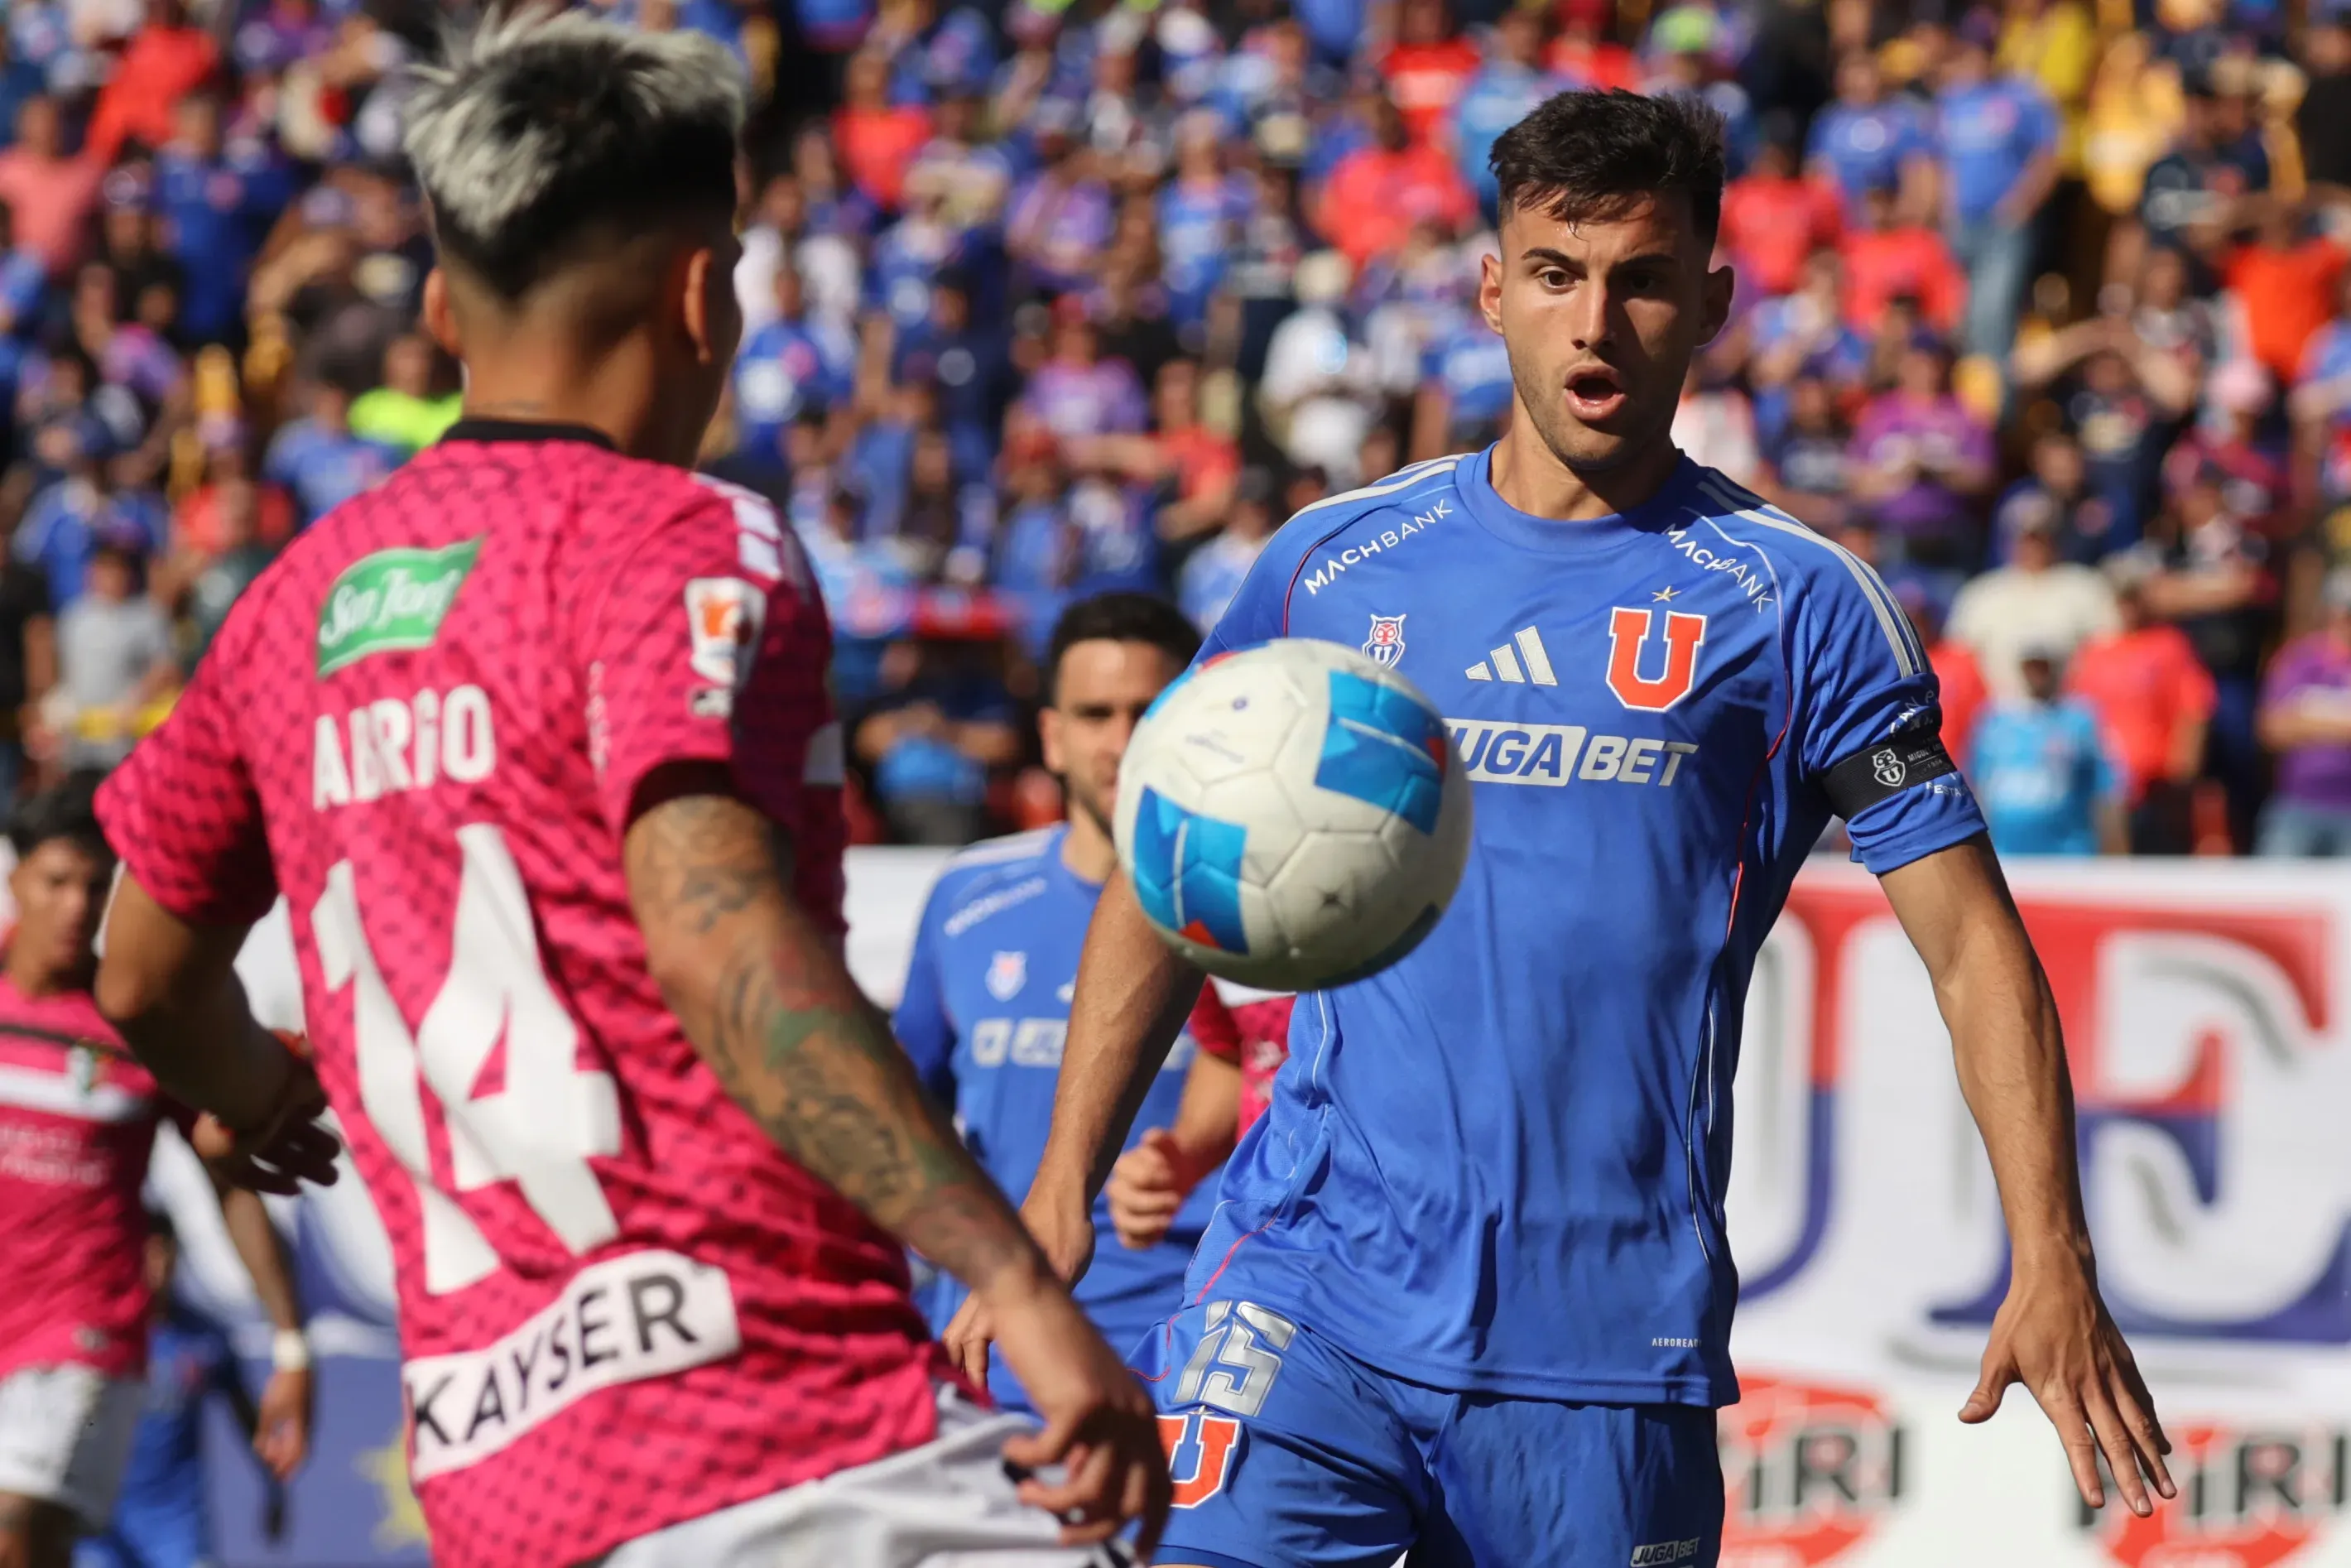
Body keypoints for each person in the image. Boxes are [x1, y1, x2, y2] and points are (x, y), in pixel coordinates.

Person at [948, 88, 2171, 1568]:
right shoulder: (1331, 569)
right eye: (1554, 274)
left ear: (1710, 300)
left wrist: (2053, 1246)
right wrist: (1058, 1192)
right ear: (1490, 286)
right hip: (1309, 1281)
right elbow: (1164, 863)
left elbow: (1974, 944)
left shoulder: (1801, 605)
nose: (1595, 324)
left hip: (1603, 1344)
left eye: (1643, 280)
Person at [84, 15, 1165, 1568]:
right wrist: (1013, 1277)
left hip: (505, 1494)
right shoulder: (684, 543)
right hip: (791, 1443)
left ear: (449, 302)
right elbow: (716, 932)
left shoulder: (287, 611)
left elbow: (144, 970)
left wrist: (261, 1094)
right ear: (701, 290)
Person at [896, 594, 1220, 1410]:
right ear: (1050, 736)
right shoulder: (967, 896)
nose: (1120, 742)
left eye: (1148, 712)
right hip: (991, 1348)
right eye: (1094, 713)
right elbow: (905, 1112)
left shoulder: (1263, 907)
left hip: (1188, 1355)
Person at [0, 777, 310, 1568]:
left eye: (96, 887)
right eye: (56, 881)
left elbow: (232, 1180)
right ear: (15, 880)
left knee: (14, 1533)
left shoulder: (138, 1022)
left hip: (82, 1333)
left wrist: (289, 1346)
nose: (76, 906)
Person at [77, 1214, 291, 1568]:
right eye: (148, 1252)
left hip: (178, 1526)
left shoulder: (204, 1339)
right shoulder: (95, 1338)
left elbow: (248, 1419)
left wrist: (274, 1487)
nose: (158, 1265)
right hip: (103, 1525)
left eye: (165, 1252)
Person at [1969, 647, 2127, 857]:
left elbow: (2107, 789)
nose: (2037, 674)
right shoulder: (1993, 720)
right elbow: (1977, 787)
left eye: (2044, 666)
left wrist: (2116, 852)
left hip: (2068, 854)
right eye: (2031, 666)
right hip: (2006, 855)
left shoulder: (2081, 719)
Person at [2252, 567, 2351, 855]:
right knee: (2274, 894)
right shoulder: (2300, 659)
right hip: (2298, 805)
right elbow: (2272, 730)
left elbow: (2290, 723)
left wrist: (2308, 719)